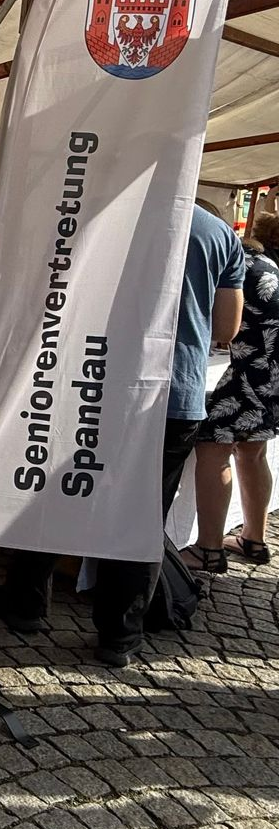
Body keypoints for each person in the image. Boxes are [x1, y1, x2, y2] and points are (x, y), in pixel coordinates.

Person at [0, 202, 244, 667]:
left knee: (58, 493)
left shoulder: (111, 206)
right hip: (173, 393)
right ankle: (119, 636)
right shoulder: (218, 233)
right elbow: (227, 327)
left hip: (95, 382)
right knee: (142, 518)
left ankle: (25, 602)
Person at [187, 209, 279, 571]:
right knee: (253, 450)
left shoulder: (241, 262)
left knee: (213, 446)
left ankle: (208, 550)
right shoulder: (269, 266)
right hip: (270, 371)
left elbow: (221, 325)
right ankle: (254, 538)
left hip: (254, 369)